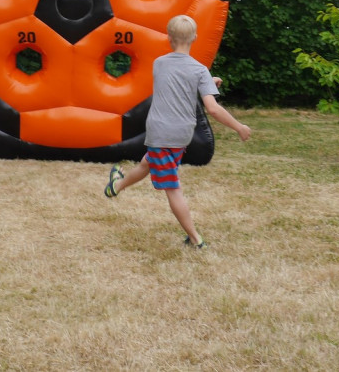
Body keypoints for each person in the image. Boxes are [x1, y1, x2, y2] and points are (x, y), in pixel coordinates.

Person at [103, 14, 251, 249]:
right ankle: (117, 187)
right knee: (149, 165)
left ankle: (195, 239)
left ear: (169, 38)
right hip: (181, 135)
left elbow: (176, 81)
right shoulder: (199, 71)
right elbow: (212, 107)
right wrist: (238, 126)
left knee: (171, 186)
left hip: (161, 132)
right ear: (195, 37)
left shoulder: (159, 64)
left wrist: (207, 81)